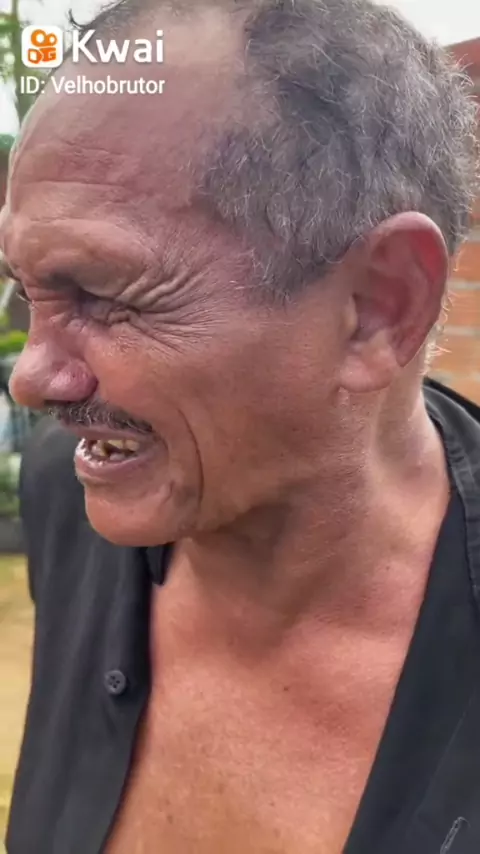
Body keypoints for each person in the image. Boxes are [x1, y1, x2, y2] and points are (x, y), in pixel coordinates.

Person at [1, 0, 479, 851]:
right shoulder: (69, 491)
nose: (32, 379)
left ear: (378, 306)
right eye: (22, 288)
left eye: (101, 294)